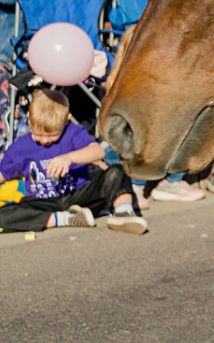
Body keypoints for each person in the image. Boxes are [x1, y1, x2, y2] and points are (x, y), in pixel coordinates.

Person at [0, 88, 145, 234]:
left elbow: (98, 151)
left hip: (79, 194)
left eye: (52, 135)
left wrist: (69, 158)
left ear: (66, 120)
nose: (45, 140)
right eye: (38, 134)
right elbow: (3, 173)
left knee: (116, 172)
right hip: (42, 202)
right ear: (29, 118)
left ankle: (123, 212)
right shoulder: (19, 147)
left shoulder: (73, 132)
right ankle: (64, 219)